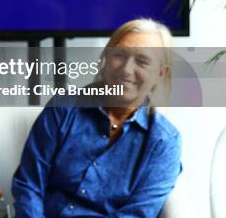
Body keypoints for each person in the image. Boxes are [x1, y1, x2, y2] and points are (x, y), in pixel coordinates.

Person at [11, 19, 182, 217]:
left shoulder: (164, 141)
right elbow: (29, 185)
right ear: (106, 59)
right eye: (119, 55)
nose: (126, 69)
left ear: (161, 73)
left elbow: (137, 213)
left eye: (142, 61)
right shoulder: (63, 108)